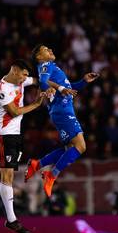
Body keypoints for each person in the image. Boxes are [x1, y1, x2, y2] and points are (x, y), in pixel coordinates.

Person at [0, 60, 45, 233]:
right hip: (4, 136)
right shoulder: (0, 88)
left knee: (1, 175)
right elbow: (13, 112)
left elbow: (38, 80)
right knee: (7, 176)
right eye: (23, 74)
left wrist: (53, 86)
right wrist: (36, 104)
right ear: (14, 71)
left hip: (15, 135)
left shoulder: (22, 80)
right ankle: (12, 219)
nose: (25, 79)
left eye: (27, 75)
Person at [25, 45, 99, 197]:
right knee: (80, 146)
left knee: (69, 148)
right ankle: (51, 175)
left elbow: (69, 88)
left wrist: (83, 82)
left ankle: (37, 164)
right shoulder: (44, 65)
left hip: (63, 110)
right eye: (46, 49)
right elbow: (43, 82)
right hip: (62, 111)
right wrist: (59, 88)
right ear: (39, 57)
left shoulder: (51, 66)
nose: (51, 50)